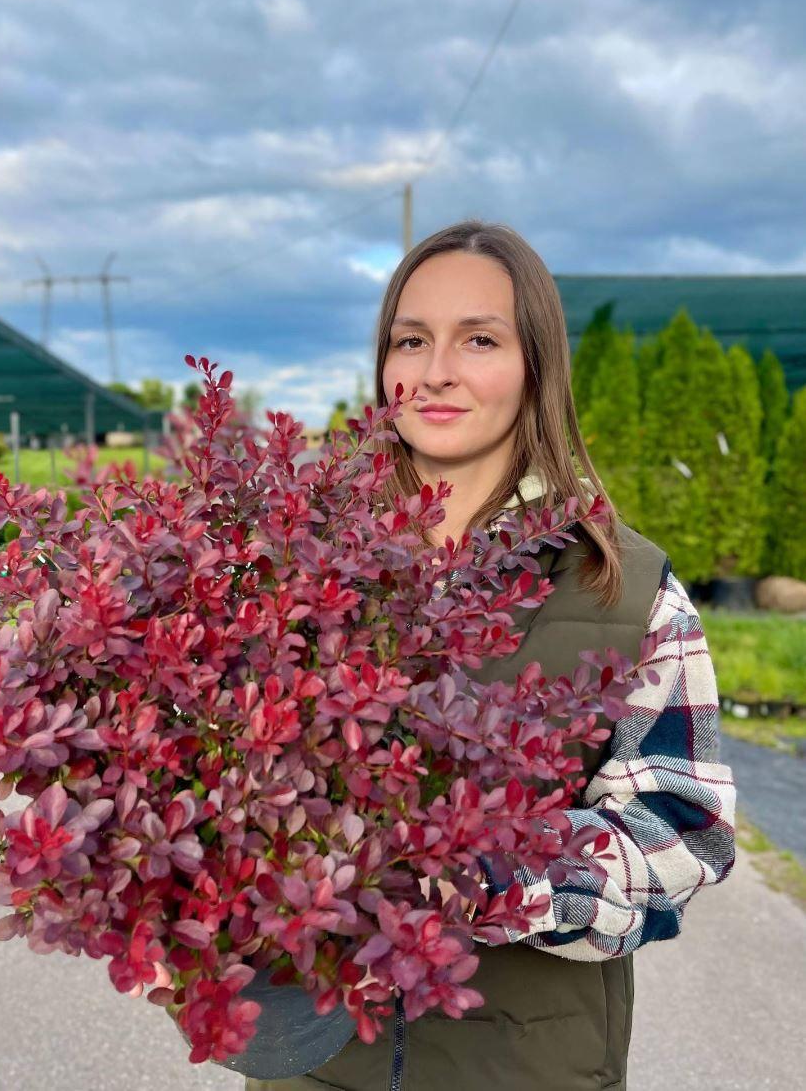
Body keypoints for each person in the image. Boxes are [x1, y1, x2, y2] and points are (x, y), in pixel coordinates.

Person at [243, 220, 737, 1090]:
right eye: (411, 340)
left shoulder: (625, 589)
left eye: (478, 339)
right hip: (311, 1066)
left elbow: (680, 833)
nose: (435, 370)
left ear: (534, 366)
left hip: (525, 1066)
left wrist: (480, 871)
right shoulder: (297, 566)